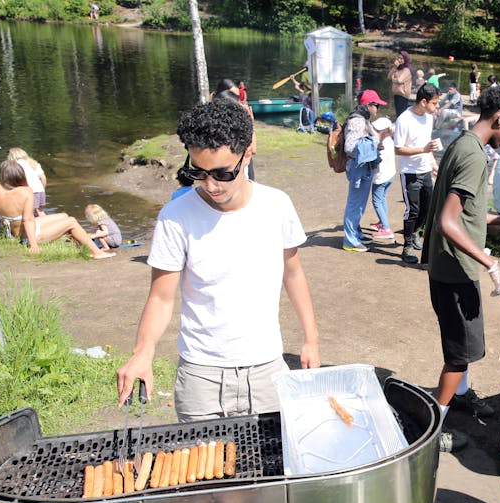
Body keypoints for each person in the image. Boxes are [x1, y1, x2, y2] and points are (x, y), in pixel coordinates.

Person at [115, 100, 321, 419]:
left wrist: (311, 338)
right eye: (199, 172)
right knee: (204, 467)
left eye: (223, 174)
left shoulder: (277, 206)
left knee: (272, 465)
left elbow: (293, 274)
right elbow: (161, 296)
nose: (211, 185)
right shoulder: (175, 217)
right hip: (201, 376)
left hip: (266, 370)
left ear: (247, 153)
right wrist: (143, 353)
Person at [420, 85, 500, 451]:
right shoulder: (475, 156)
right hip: (455, 272)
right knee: (458, 354)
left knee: (465, 346)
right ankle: (433, 431)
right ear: (499, 117)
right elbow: (447, 222)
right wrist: (490, 262)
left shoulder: (462, 143)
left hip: (449, 267)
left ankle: (461, 395)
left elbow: (466, 213)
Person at [0, 160, 115, 259]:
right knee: (72, 221)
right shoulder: (26, 192)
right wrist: (33, 245)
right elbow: (28, 220)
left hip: (13, 232)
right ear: (19, 175)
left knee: (63, 215)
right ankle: (97, 252)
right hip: (27, 236)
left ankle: (79, 247)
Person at [394, 82, 440, 263]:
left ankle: (414, 234)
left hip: (425, 169)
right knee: (412, 210)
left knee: (427, 208)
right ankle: (406, 247)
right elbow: (398, 149)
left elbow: (426, 143)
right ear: (423, 101)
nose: (436, 107)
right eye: (434, 103)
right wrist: (423, 149)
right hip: (410, 171)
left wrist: (432, 161)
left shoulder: (427, 118)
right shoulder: (404, 120)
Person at [341, 89, 386, 252]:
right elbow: (350, 147)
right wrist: (373, 144)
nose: (377, 110)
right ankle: (350, 240)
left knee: (359, 205)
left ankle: (356, 234)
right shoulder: (358, 121)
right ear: (368, 105)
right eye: (377, 106)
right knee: (355, 204)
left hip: (364, 167)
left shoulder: (363, 120)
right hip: (358, 168)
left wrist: (375, 143)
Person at [214, 78, 257, 181]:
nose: (239, 101)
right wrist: (250, 123)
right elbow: (252, 149)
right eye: (234, 96)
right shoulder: (227, 122)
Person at [368, 116, 397, 242]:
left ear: (384, 131)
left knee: (377, 201)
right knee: (382, 198)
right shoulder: (389, 139)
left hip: (381, 177)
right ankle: (381, 222)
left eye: (376, 130)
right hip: (390, 175)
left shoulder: (381, 144)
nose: (374, 131)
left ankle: (386, 229)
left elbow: (378, 164)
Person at [6, 147, 47, 216]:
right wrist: (43, 188)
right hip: (40, 190)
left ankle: (40, 225)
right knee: (39, 211)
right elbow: (43, 178)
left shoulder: (17, 165)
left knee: (29, 212)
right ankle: (47, 223)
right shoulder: (34, 163)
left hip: (30, 191)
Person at [388, 51, 413, 117]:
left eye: (401, 58)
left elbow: (400, 80)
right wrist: (394, 67)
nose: (399, 60)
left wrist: (393, 79)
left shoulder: (407, 70)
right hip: (396, 93)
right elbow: (389, 77)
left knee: (401, 113)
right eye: (398, 58)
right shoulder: (397, 68)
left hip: (403, 95)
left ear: (405, 59)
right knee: (398, 112)